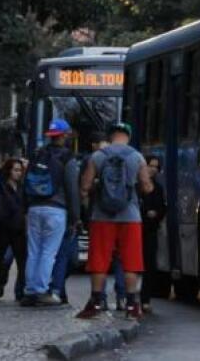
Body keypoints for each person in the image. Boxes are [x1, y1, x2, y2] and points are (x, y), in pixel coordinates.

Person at [77, 122, 154, 320]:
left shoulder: (98, 156)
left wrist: (96, 189)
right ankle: (132, 305)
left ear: (110, 136)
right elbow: (147, 187)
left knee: (99, 259)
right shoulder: (137, 157)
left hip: (102, 216)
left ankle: (95, 302)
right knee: (131, 261)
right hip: (130, 217)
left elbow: (84, 186)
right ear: (128, 136)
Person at [49, 131, 107, 303]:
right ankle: (58, 288)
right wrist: (77, 216)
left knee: (70, 256)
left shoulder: (88, 161)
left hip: (85, 216)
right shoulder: (88, 161)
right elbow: (79, 191)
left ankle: (58, 288)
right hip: (84, 216)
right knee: (70, 255)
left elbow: (80, 190)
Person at [23, 119, 75, 306]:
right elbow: (71, 189)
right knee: (48, 252)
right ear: (64, 135)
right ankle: (41, 290)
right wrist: (75, 216)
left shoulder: (37, 154)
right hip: (56, 209)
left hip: (34, 208)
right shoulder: (67, 158)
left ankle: (29, 290)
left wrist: (26, 208)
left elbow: (25, 183)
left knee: (33, 251)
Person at [0, 158, 27, 302]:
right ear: (9, 171)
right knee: (0, 261)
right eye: (16, 170)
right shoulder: (1, 187)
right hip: (3, 229)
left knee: (22, 262)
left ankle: (21, 292)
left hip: (19, 229)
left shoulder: (22, 188)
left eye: (20, 170)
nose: (19, 173)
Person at [140, 155, 167, 312]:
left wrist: (156, 214)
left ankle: (145, 300)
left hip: (151, 231)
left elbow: (162, 208)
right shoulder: (137, 185)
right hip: (137, 230)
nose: (153, 169)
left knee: (149, 266)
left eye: (156, 167)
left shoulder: (158, 188)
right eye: (151, 165)